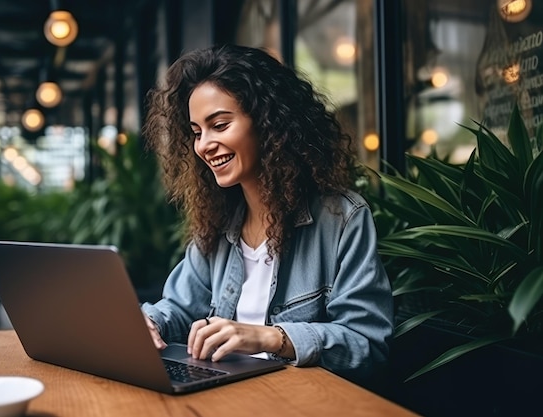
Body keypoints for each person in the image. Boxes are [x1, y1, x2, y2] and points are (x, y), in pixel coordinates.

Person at [140, 44, 393, 384]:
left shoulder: (341, 219)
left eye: (219, 124)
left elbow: (367, 344)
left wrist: (272, 338)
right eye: (197, 132)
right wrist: (149, 322)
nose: (203, 145)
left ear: (267, 123)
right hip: (227, 394)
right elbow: (180, 307)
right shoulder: (218, 222)